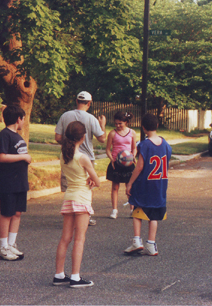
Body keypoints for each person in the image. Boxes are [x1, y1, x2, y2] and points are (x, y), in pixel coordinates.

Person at [53, 121, 101, 288]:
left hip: (69, 197)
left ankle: (59, 274)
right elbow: (97, 181)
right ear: (83, 137)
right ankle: (75, 276)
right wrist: (90, 179)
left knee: (65, 238)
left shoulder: (64, 155)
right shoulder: (83, 157)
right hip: (82, 198)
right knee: (79, 239)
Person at [55, 91, 106, 226]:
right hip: (86, 157)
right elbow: (102, 139)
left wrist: (67, 145)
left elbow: (58, 137)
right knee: (87, 186)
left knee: (69, 185)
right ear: (89, 103)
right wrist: (103, 125)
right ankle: (84, 216)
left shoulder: (65, 116)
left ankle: (69, 214)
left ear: (76, 101)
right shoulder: (91, 119)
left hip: (68, 155)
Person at [124, 114, 172, 256]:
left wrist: (130, 183)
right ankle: (151, 244)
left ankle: (137, 241)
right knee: (154, 215)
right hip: (160, 185)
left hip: (145, 184)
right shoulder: (165, 144)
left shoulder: (144, 145)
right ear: (157, 126)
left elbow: (139, 167)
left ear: (143, 128)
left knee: (137, 210)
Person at [0, 106, 32, 261]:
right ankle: (3, 247)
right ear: (19, 119)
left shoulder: (18, 136)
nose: (24, 122)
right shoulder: (4, 135)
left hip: (20, 181)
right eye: (23, 119)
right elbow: (2, 157)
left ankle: (11, 244)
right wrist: (24, 158)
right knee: (7, 213)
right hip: (8, 181)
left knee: (17, 213)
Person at [105, 111, 137, 219]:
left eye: (120, 123)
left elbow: (134, 148)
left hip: (128, 163)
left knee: (129, 187)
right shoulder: (112, 133)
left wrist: (133, 156)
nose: (118, 126)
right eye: (116, 123)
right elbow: (108, 150)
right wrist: (112, 159)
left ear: (126, 122)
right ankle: (114, 210)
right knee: (115, 187)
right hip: (116, 163)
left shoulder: (132, 133)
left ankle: (132, 210)